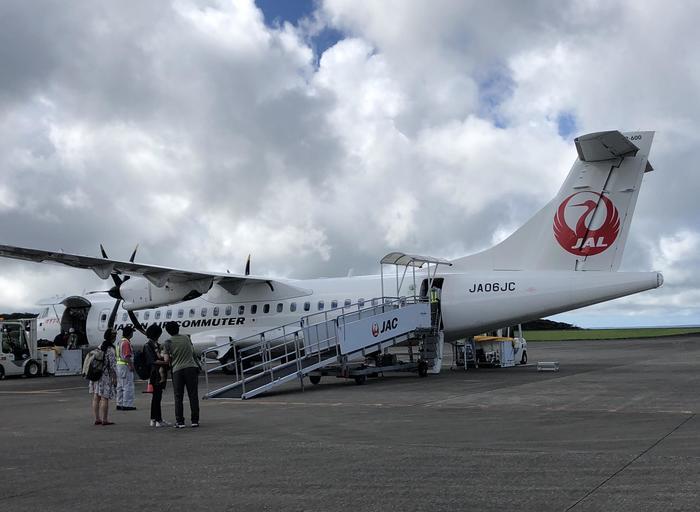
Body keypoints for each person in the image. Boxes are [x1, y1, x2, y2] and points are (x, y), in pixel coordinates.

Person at [163, 321, 200, 428]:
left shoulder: (168, 342)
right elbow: (193, 353)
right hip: (191, 368)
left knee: (178, 397)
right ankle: (195, 420)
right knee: (193, 395)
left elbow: (166, 360)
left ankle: (180, 421)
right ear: (178, 329)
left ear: (168, 331)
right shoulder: (187, 338)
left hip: (177, 371)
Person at [143, 324, 170, 427]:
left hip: (158, 373)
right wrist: (166, 363)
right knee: (157, 397)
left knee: (156, 397)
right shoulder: (149, 346)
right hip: (156, 374)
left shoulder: (154, 344)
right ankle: (157, 419)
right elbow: (152, 361)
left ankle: (154, 419)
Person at [89, 329, 118, 426]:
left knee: (96, 397)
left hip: (96, 374)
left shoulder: (100, 346)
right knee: (105, 398)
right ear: (112, 337)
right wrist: (114, 377)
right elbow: (113, 365)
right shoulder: (110, 349)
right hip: (105, 376)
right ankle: (105, 419)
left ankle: (97, 418)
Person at [116, 325, 136, 411]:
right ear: (129, 333)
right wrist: (131, 365)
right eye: (132, 332)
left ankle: (119, 403)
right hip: (125, 366)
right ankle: (127, 404)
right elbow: (127, 356)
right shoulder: (126, 343)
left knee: (120, 386)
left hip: (119, 366)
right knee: (128, 385)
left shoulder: (119, 342)